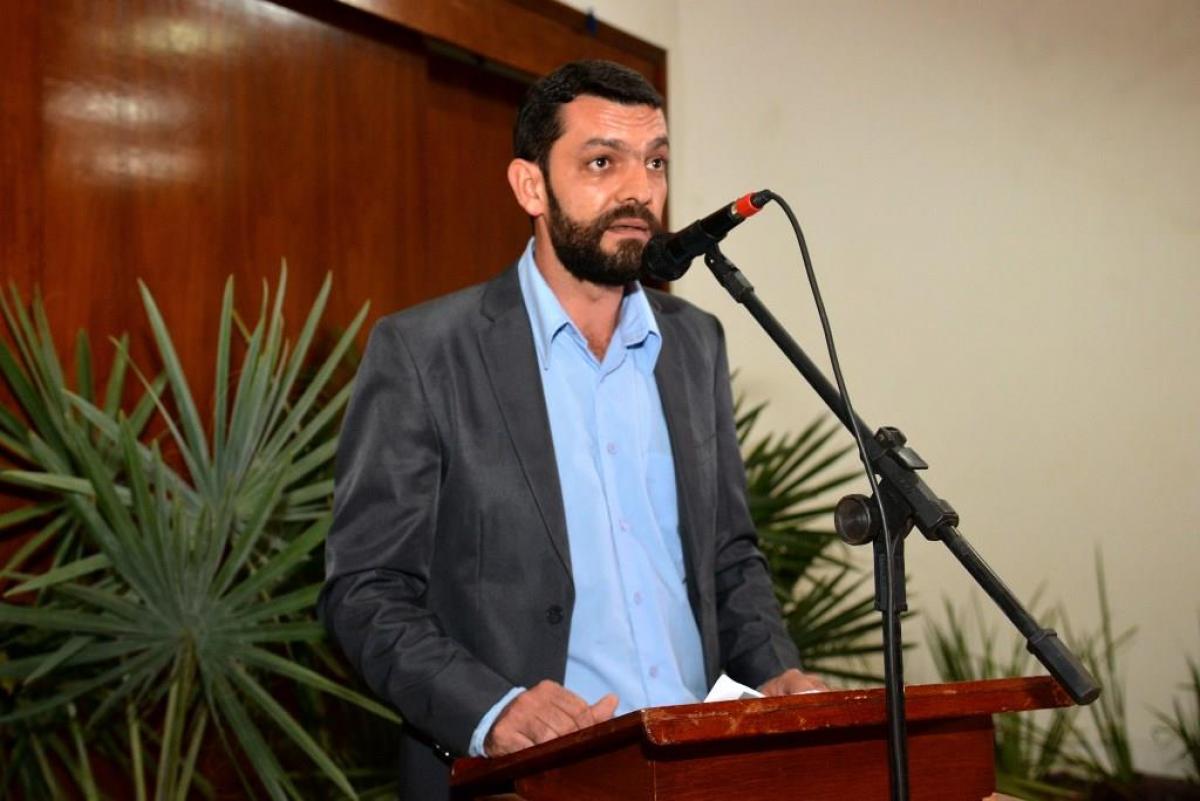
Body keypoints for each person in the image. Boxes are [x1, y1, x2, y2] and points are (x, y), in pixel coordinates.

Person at [319, 59, 827, 799]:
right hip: (530, 780)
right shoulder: (426, 352)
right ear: (530, 186)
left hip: (699, 770)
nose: (638, 190)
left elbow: (730, 558)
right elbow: (365, 589)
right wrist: (491, 709)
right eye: (601, 162)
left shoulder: (696, 342)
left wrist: (775, 670)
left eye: (655, 162)